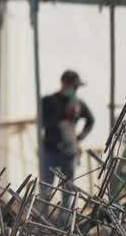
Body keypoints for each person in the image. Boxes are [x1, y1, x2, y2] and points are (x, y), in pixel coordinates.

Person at [39, 69, 95, 207]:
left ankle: (65, 220)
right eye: (73, 86)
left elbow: (90, 120)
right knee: (46, 188)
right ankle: (43, 217)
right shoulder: (49, 101)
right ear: (64, 83)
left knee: (68, 189)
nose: (75, 90)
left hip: (69, 153)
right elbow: (41, 123)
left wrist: (79, 137)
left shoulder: (77, 104)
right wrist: (60, 115)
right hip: (50, 150)